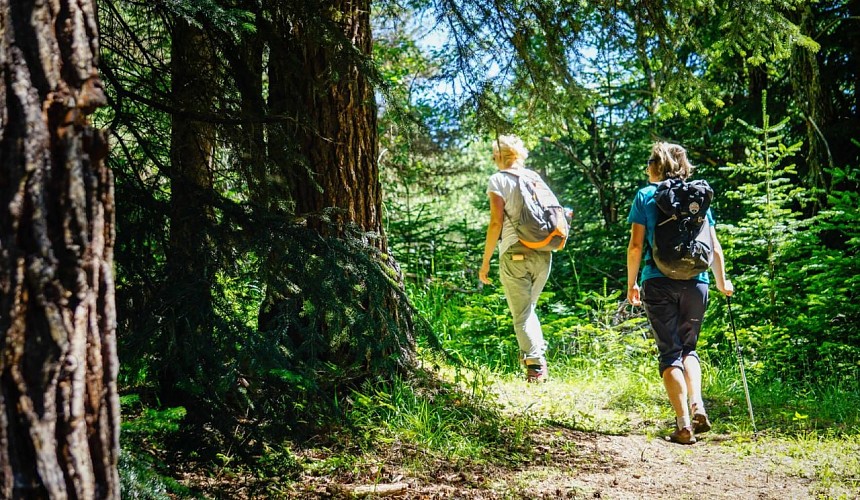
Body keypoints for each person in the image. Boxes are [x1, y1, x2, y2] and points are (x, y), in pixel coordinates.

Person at [626, 141, 734, 444]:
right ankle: (698, 403)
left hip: (657, 281)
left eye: (650, 161)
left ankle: (684, 426)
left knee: (670, 353)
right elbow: (714, 247)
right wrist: (722, 282)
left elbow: (636, 246)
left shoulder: (645, 196)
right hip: (697, 281)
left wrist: (631, 283)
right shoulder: (697, 195)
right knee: (689, 349)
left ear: (657, 166)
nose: (646, 167)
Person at [479, 135, 552, 383]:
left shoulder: (498, 179)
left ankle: (535, 368)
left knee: (522, 314)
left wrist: (486, 261)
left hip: (515, 253)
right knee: (528, 310)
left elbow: (496, 222)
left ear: (499, 156)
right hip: (544, 252)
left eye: (494, 156)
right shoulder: (534, 178)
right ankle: (538, 360)